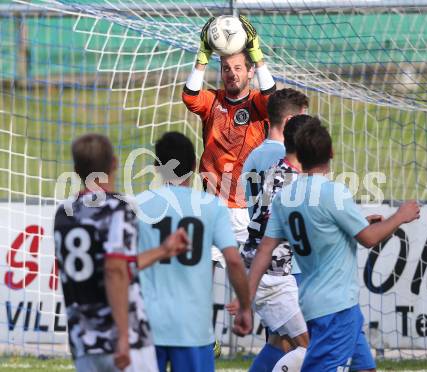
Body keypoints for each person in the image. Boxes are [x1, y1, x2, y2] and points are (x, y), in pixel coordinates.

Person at [248, 119, 420, 372]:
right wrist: (400, 216)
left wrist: (245, 299)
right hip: (336, 308)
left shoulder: (287, 197)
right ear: (331, 153)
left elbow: (266, 248)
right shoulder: (334, 193)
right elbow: (369, 238)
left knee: (365, 369)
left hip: (321, 303)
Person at [54, 134, 189, 372]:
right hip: (121, 339)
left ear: (76, 170)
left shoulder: (64, 213)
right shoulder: (117, 208)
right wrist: (124, 336)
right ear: (114, 163)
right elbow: (115, 270)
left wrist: (162, 251)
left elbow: (116, 263)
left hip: (83, 340)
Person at [136, 132, 252, 372]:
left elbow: (123, 264)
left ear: (157, 167)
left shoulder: (137, 206)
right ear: (193, 166)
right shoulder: (212, 206)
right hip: (193, 325)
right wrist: (245, 305)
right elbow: (233, 261)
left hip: (148, 323)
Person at [182, 16, 276, 259]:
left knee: (248, 281)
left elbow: (273, 100)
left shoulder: (257, 102)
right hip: (213, 206)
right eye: (226, 69)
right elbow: (190, 97)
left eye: (238, 68)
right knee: (204, 278)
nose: (232, 74)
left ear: (250, 71)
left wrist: (256, 53)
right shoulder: (213, 100)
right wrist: (203, 55)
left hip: (249, 209)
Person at [228, 115, 312, 372]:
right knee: (309, 348)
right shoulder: (290, 181)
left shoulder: (283, 170)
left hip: (270, 270)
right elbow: (272, 232)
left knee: (281, 343)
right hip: (271, 274)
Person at [242, 88, 309, 216]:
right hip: (278, 234)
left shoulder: (252, 156)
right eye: (302, 119)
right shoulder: (287, 157)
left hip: (258, 233)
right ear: (290, 121)